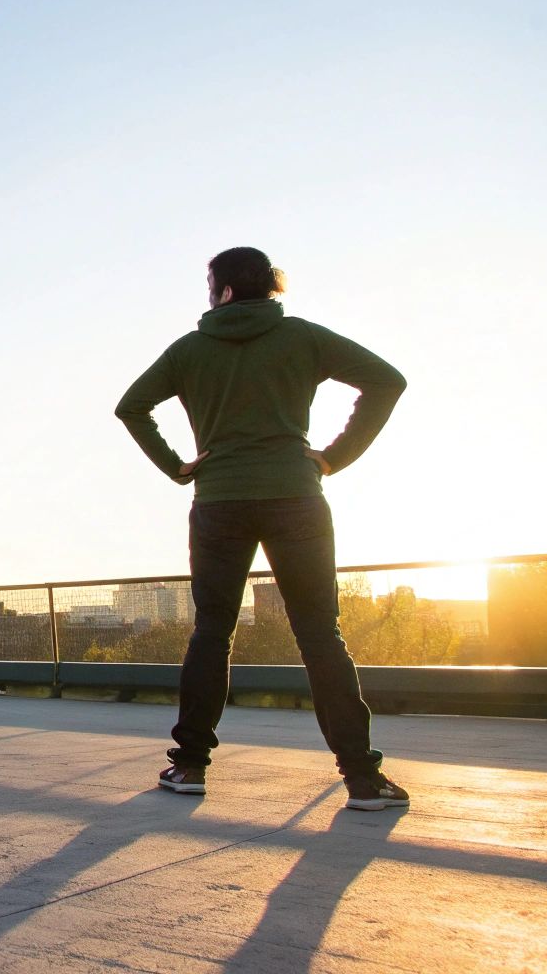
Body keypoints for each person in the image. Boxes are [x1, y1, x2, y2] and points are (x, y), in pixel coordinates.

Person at [114, 247, 411, 811]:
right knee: (321, 635)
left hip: (220, 501)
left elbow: (131, 407)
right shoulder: (302, 337)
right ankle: (363, 779)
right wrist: (333, 456)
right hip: (297, 498)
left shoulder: (190, 350)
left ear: (223, 291)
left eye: (209, 284)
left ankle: (190, 767)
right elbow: (386, 381)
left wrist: (177, 465)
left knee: (212, 632)